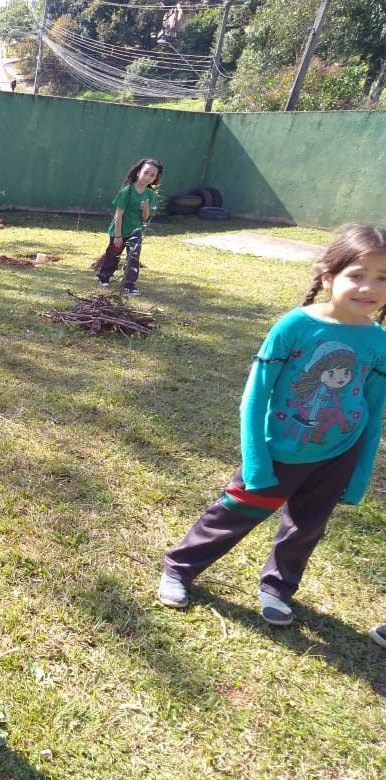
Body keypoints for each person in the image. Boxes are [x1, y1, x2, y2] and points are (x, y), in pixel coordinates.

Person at [158, 224, 386, 626]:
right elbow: (255, 397)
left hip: (337, 454)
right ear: (328, 276)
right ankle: (179, 567)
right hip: (279, 449)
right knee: (233, 515)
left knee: (307, 528)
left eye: (383, 279)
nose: (369, 287)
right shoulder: (294, 327)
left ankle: (277, 588)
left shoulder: (379, 341)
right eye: (358, 275)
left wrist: (360, 472)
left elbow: (372, 409)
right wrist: (256, 459)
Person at [95, 158, 163, 296]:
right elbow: (118, 216)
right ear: (138, 172)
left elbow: (145, 218)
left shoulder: (150, 194)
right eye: (146, 172)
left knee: (133, 257)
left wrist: (145, 209)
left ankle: (129, 284)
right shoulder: (128, 191)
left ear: (156, 178)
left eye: (152, 175)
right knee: (113, 255)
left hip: (135, 231)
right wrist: (118, 236)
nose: (148, 177)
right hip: (119, 231)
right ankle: (104, 277)